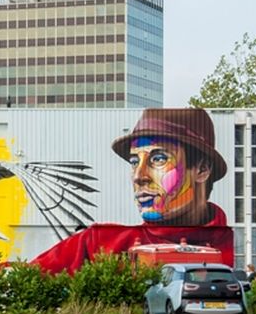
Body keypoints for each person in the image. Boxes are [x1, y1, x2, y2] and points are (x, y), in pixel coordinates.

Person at [33, 107, 234, 273]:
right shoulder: (98, 244)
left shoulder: (234, 247)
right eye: (134, 161)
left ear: (202, 169)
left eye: (158, 159)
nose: (139, 176)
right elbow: (21, 276)